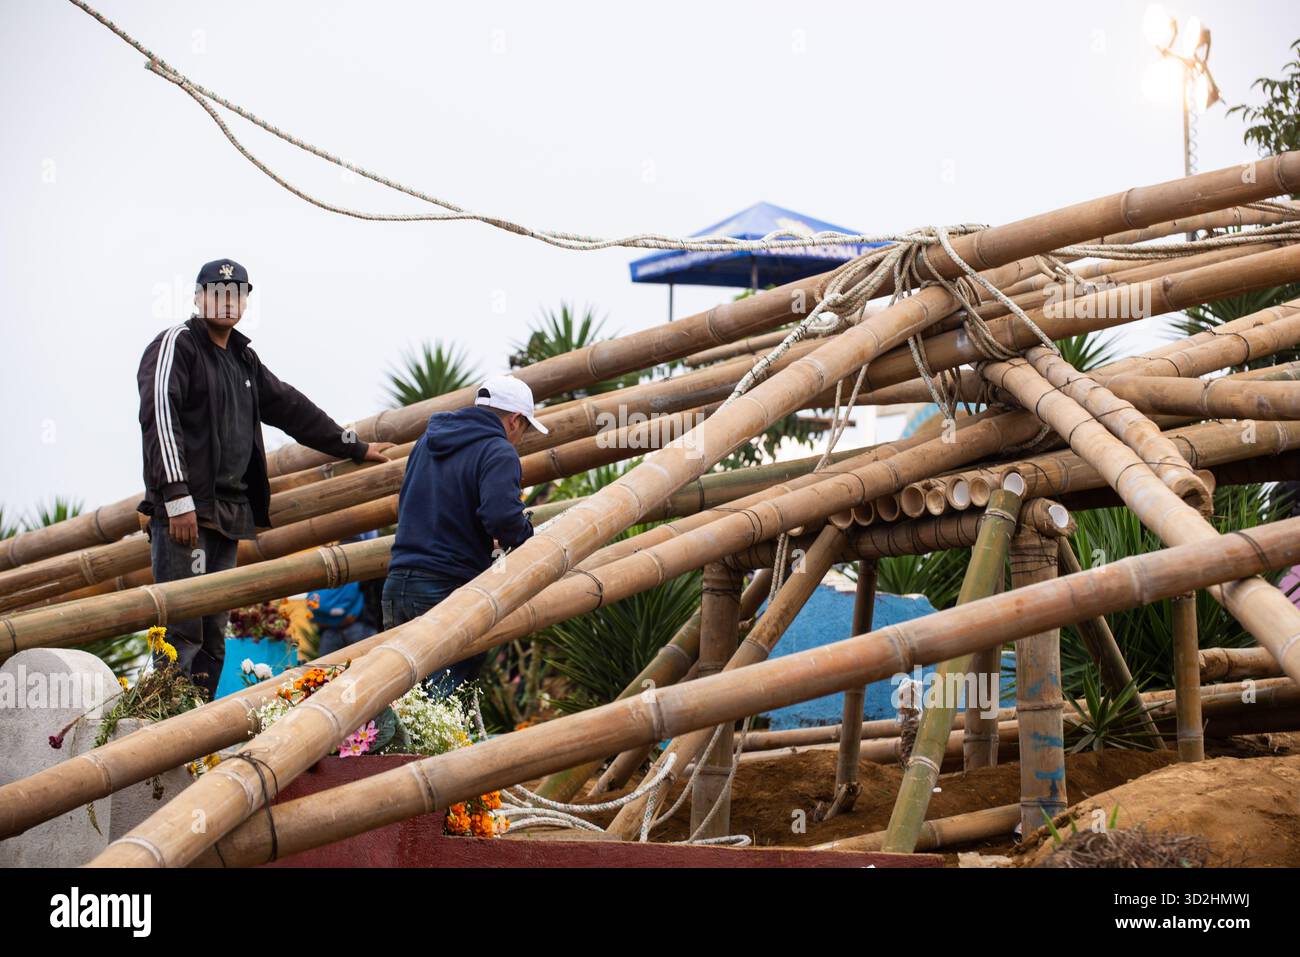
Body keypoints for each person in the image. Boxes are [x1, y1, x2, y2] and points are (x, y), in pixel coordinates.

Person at [137, 258, 393, 697]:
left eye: (236, 293)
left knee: (214, 634)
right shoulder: (177, 344)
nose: (227, 300)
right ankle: (157, 729)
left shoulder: (244, 360)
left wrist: (354, 445)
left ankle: (193, 731)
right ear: (198, 298)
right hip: (187, 515)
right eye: (217, 292)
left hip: (228, 515)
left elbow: (293, 408)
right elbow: (159, 417)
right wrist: (177, 500)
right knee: (181, 629)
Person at [383, 373, 545, 695]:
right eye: (525, 428)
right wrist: (529, 537)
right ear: (514, 420)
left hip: (398, 582)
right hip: (446, 587)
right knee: (445, 701)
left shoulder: (427, 441)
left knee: (404, 697)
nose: (522, 437)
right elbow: (501, 517)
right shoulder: (498, 451)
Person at [309, 531, 381, 656]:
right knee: (365, 666)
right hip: (360, 624)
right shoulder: (366, 558)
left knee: (328, 670)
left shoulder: (330, 559)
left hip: (329, 628)